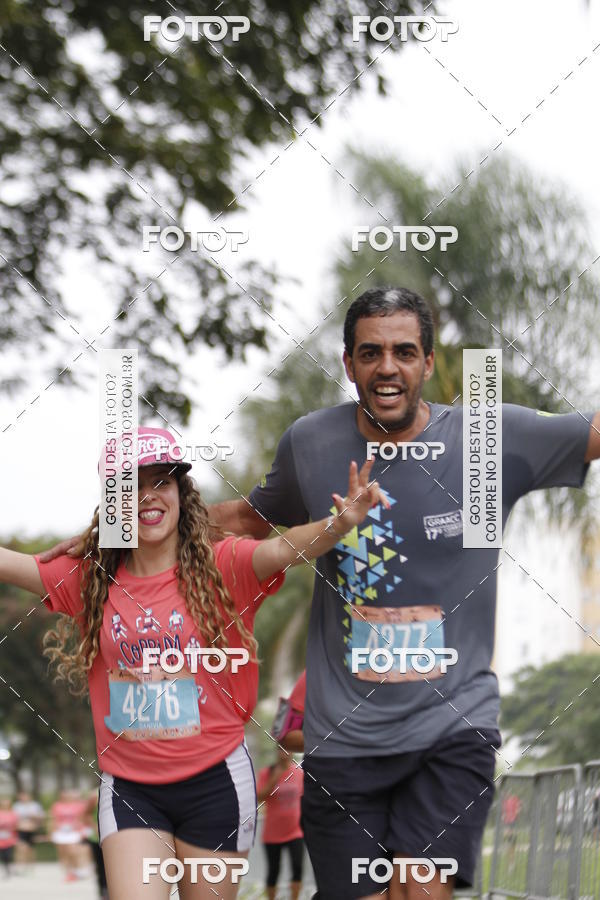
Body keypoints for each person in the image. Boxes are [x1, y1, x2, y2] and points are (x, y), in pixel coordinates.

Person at [42, 287, 600, 899]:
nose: (388, 367)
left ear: (429, 362)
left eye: (404, 352)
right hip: (343, 740)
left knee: (421, 888)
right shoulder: (312, 443)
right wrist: (110, 536)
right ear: (348, 363)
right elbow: (249, 520)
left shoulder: (490, 439)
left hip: (452, 722)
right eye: (371, 353)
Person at [0, 425, 386, 900]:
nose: (148, 496)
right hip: (130, 789)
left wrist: (340, 522)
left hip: (215, 784)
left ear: (182, 492)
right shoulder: (88, 578)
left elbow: (284, 547)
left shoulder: (224, 567)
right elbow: (9, 562)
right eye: (131, 487)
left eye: (161, 482)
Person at [257, 747, 304, 900]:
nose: (286, 753)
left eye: (289, 749)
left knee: (297, 868)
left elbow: (305, 799)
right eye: (283, 749)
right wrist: (274, 779)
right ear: (277, 751)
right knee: (273, 871)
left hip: (295, 831)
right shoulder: (267, 772)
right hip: (273, 833)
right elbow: (259, 797)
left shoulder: (299, 773)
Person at [50, 788, 87, 882]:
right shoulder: (57, 805)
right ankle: (68, 872)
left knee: (72, 851)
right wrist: (52, 831)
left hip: (74, 831)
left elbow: (83, 818)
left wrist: (81, 828)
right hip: (60, 832)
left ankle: (77, 870)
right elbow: (53, 819)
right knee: (63, 853)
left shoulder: (79, 805)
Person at [13, 790, 44, 871]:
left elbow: (40, 817)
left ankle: (31, 866)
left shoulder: (35, 805)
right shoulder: (17, 806)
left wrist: (34, 819)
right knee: (21, 847)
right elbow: (14, 818)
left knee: (30, 849)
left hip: (31, 829)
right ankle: (20, 866)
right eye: (22, 796)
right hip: (21, 829)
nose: (23, 798)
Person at [0, 797, 18, 879]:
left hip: (10, 836)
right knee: (3, 854)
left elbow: (16, 825)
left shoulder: (12, 813)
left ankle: (11, 867)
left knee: (9, 853)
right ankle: (6, 869)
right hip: (1, 837)